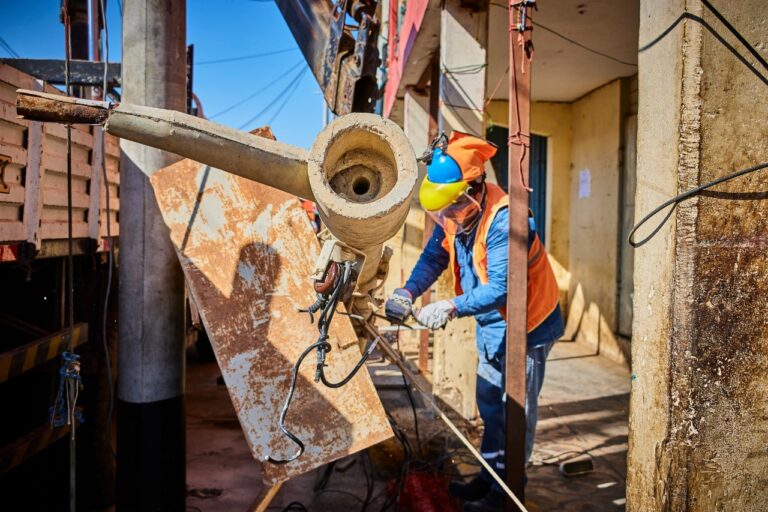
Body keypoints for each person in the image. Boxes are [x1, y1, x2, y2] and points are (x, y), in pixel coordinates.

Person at [385, 132, 564, 511]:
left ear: (476, 189)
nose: (449, 218)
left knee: (516, 412)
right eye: (444, 211)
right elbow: (434, 257)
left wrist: (450, 307)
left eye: (454, 209)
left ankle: (507, 493)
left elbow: (502, 288)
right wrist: (407, 292)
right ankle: (489, 476)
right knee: (490, 403)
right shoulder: (453, 212)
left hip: (527, 324)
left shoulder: (506, 220)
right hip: (492, 321)